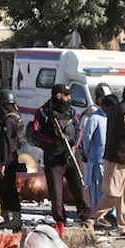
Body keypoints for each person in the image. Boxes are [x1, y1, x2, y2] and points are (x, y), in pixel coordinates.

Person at [87, 84, 125, 236]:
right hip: (124, 159)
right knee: (116, 194)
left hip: (123, 158)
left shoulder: (116, 109)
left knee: (124, 194)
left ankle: (123, 226)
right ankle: (94, 218)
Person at [34, 84, 90, 228]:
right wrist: (53, 141)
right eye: (66, 95)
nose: (69, 98)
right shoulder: (43, 112)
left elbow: (78, 130)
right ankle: (60, 221)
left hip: (72, 155)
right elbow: (36, 133)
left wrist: (74, 146)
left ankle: (86, 218)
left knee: (80, 187)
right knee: (56, 194)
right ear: (58, 95)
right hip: (54, 159)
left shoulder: (71, 111)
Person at [0, 89, 24, 231]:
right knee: (7, 189)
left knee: (6, 190)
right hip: (12, 160)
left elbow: (5, 144)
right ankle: (10, 217)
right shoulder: (16, 117)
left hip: (6, 161)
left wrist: (2, 164)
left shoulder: (8, 121)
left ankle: (12, 218)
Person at [81, 86, 112, 212]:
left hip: (110, 158)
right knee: (97, 186)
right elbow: (86, 137)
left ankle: (109, 211)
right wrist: (88, 153)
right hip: (97, 158)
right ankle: (98, 211)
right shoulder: (93, 116)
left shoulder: (111, 116)